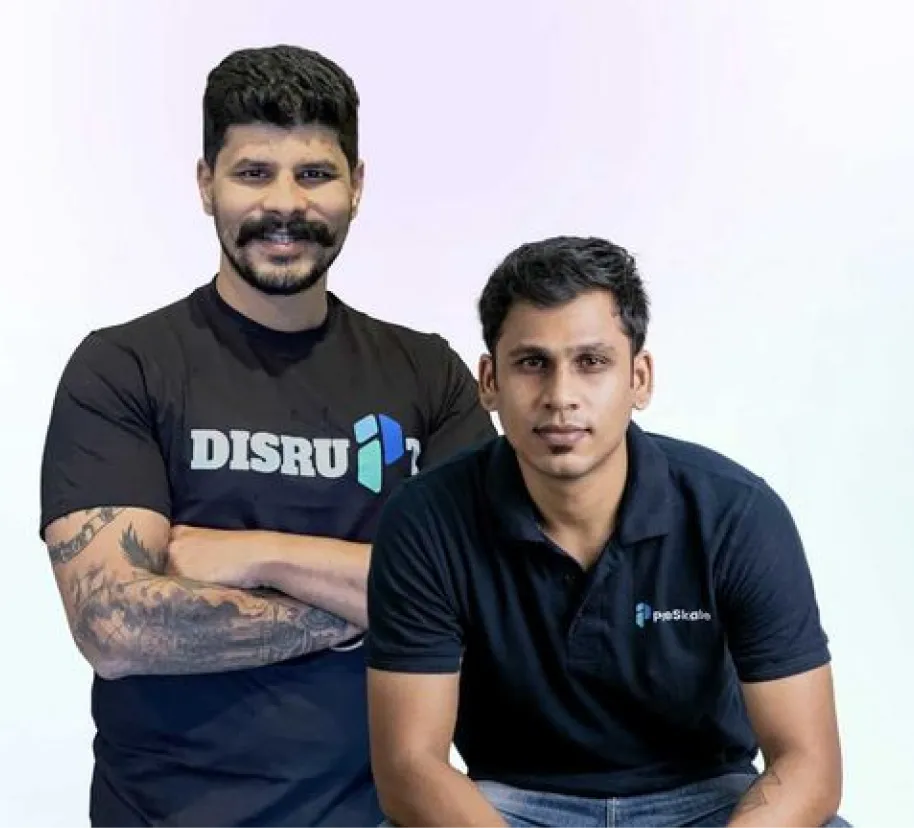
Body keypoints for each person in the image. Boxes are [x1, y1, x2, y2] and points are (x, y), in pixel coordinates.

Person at [39, 44, 495, 828]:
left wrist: (261, 555)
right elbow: (115, 627)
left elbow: (493, 598)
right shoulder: (125, 366)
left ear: (357, 185)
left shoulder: (427, 375)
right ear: (205, 183)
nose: (285, 203)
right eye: (253, 172)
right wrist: (392, 606)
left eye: (315, 173)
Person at [365, 236, 851, 827]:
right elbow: (410, 766)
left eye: (591, 362)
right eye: (532, 363)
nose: (560, 397)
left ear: (639, 379)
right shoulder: (425, 519)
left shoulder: (736, 513)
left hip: (706, 799)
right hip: (510, 804)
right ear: (489, 380)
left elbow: (808, 763)